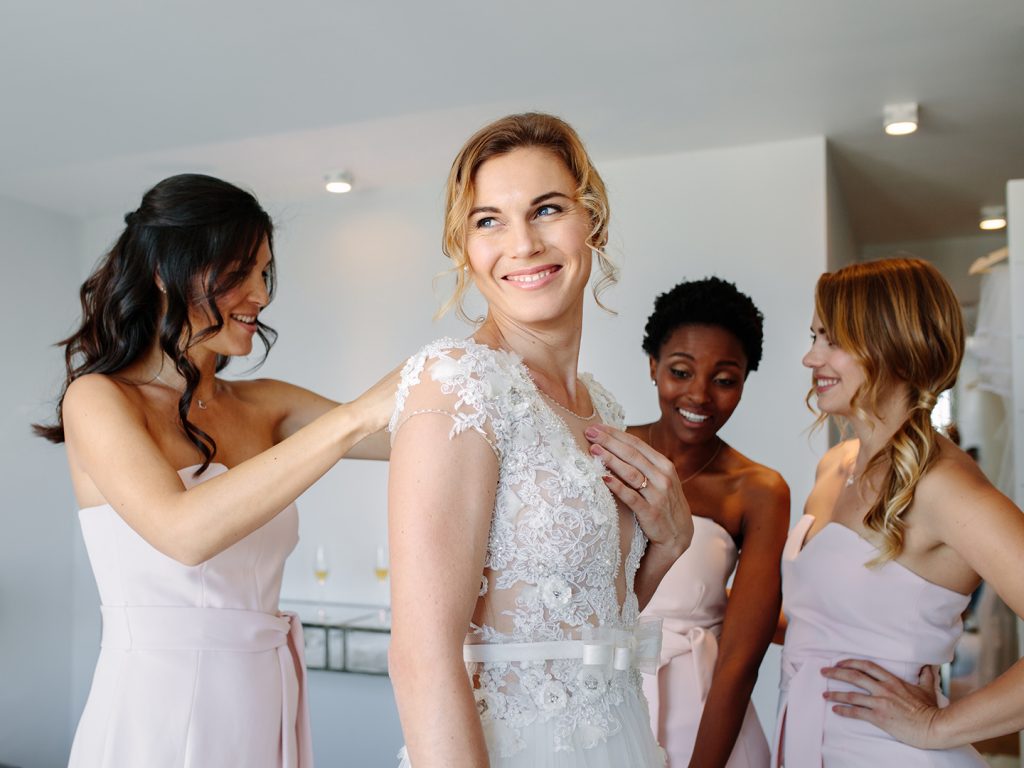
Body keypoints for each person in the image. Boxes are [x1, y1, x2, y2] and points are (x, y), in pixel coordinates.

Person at [36, 174, 396, 768]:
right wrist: (350, 419)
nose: (262, 294)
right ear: (166, 272)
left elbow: (418, 440)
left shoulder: (266, 403)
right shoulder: (98, 400)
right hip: (157, 711)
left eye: (264, 272)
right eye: (240, 272)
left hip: (264, 701)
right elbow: (184, 533)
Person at [387, 113, 693, 768]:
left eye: (546, 209)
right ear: (463, 248)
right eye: (488, 220)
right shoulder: (459, 386)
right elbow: (421, 655)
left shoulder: (600, 406)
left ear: (594, 222)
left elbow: (588, 620)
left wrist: (670, 542)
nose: (522, 243)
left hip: (620, 740)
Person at [775, 257, 1024, 767]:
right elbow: (825, 622)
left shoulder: (943, 487)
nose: (810, 357)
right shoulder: (836, 464)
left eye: (833, 341)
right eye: (814, 336)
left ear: (895, 347)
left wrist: (938, 725)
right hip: (805, 742)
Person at [633, 278, 788, 767]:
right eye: (681, 371)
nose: (699, 395)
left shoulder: (758, 489)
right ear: (654, 366)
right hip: (595, 700)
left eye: (724, 380)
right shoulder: (604, 450)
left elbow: (742, 655)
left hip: (702, 718)